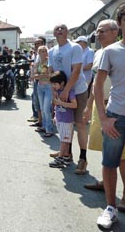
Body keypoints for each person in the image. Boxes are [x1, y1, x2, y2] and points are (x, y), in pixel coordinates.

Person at [83, 19, 125, 212]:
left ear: (115, 31)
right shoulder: (101, 53)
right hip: (106, 109)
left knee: (123, 158)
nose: (98, 34)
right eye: (97, 31)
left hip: (114, 109)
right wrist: (90, 104)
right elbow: (96, 84)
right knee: (107, 154)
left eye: (103, 31)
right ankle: (106, 187)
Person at [94, 4, 125, 229]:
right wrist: (103, 118)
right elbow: (97, 87)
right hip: (117, 116)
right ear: (121, 23)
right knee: (110, 163)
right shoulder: (111, 51)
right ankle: (111, 208)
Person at [48, 24, 89, 175]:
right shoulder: (52, 50)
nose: (59, 30)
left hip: (77, 90)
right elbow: (51, 71)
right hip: (61, 91)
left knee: (80, 124)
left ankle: (83, 158)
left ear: (67, 32)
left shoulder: (74, 47)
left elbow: (77, 70)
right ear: (53, 32)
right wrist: (54, 91)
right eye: (57, 28)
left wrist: (66, 90)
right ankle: (66, 153)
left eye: (62, 28)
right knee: (65, 123)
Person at [49, 71, 77, 168]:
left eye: (55, 84)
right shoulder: (57, 92)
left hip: (67, 121)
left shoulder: (69, 92)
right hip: (60, 120)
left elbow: (74, 105)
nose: (53, 86)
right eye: (52, 84)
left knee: (64, 141)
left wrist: (61, 103)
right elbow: (56, 106)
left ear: (62, 83)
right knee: (64, 140)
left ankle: (60, 158)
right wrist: (55, 116)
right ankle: (66, 158)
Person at [34, 45, 54, 137]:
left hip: (48, 86)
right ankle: (44, 126)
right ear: (39, 53)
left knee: (46, 109)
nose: (44, 52)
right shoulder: (38, 63)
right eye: (42, 51)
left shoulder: (49, 62)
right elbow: (34, 74)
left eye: (45, 50)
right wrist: (39, 75)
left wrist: (39, 76)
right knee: (42, 108)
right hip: (40, 87)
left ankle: (49, 129)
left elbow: (50, 75)